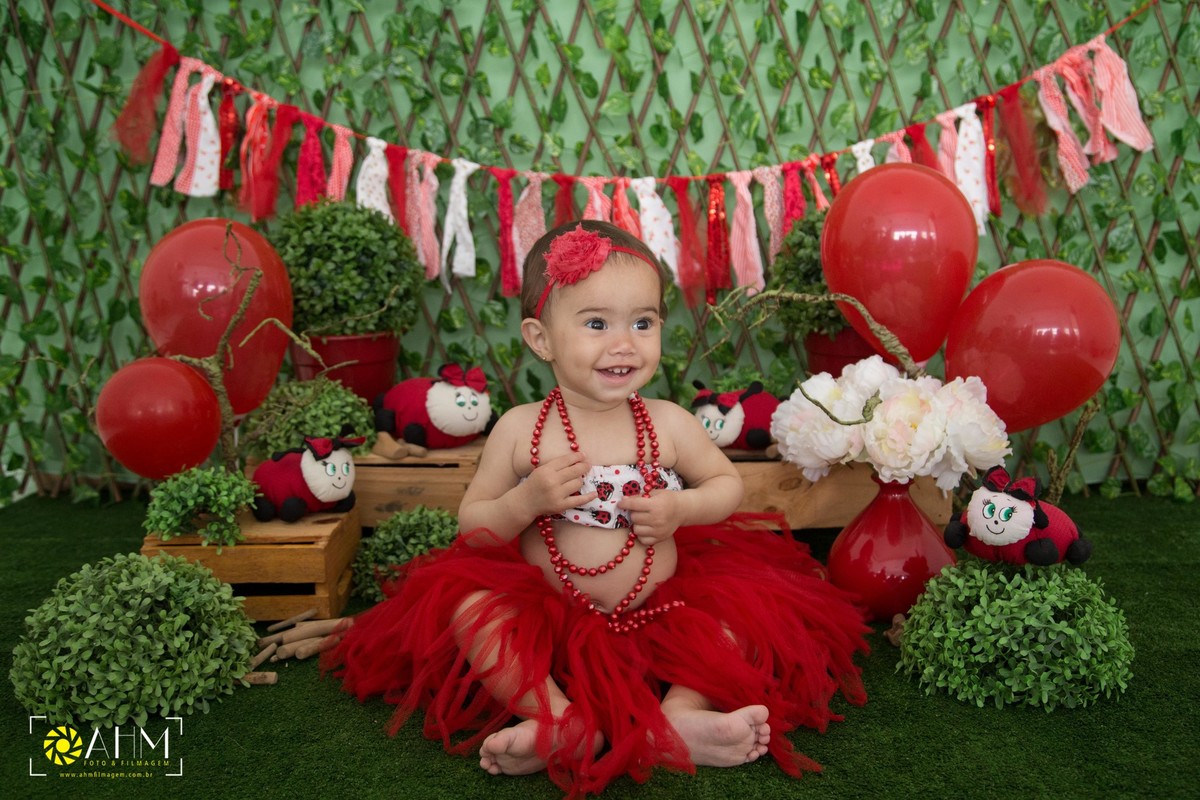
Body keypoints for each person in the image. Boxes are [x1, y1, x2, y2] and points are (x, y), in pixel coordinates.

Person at [324, 219, 870, 797]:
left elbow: (726, 484)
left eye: (643, 323)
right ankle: (559, 719)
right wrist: (524, 501)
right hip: (551, 622)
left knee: (741, 612)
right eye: (596, 323)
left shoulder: (668, 422)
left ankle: (681, 713)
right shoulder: (520, 429)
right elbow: (474, 529)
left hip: (663, 611)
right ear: (541, 339)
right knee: (473, 610)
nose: (624, 343)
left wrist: (682, 507)